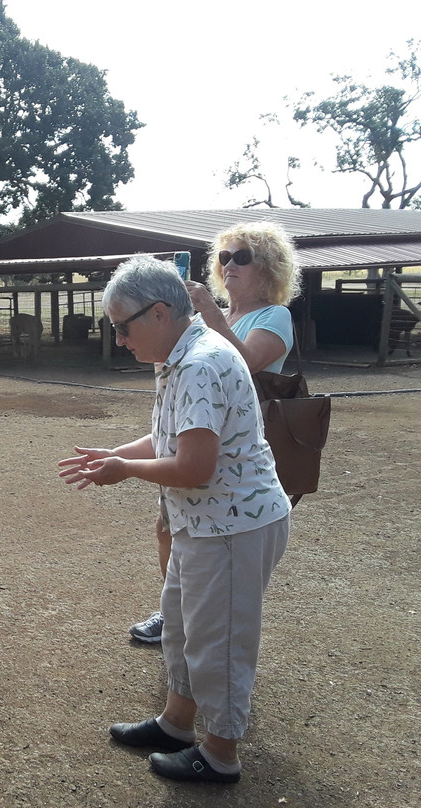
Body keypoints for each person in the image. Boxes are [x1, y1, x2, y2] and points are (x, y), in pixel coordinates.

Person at [58, 255, 290, 784]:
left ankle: (221, 753)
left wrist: (124, 469)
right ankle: (177, 724)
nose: (119, 339)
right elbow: (175, 438)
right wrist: (114, 453)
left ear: (159, 313)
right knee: (183, 628)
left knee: (221, 642)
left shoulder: (201, 363)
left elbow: (194, 465)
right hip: (204, 524)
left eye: (123, 326)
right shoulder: (181, 357)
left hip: (232, 527)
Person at [128, 221, 301, 644]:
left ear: (269, 268)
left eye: (243, 257)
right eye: (225, 257)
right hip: (202, 430)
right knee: (169, 524)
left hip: (239, 442)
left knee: (222, 536)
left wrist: (205, 313)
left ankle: (204, 622)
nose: (230, 265)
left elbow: (246, 361)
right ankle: (177, 611)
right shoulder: (220, 315)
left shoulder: (274, 317)